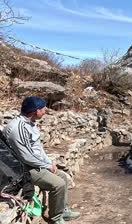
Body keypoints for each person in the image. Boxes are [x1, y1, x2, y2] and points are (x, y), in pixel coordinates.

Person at [2, 96, 80, 224]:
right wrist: (46, 165)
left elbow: (37, 148)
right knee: (58, 184)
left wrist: (49, 162)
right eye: (43, 108)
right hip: (26, 169)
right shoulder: (18, 128)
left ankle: (62, 210)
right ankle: (56, 218)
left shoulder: (29, 123)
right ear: (35, 111)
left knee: (63, 177)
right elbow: (26, 156)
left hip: (35, 164)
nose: (46, 110)